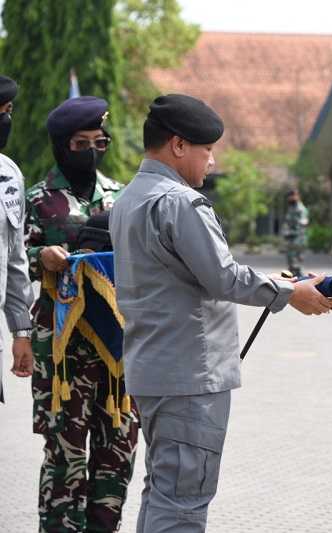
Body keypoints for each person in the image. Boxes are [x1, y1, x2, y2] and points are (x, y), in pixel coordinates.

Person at [110, 94, 331, 533]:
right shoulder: (178, 202)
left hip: (153, 369)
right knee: (184, 502)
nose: (211, 162)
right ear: (177, 145)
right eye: (206, 150)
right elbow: (223, 277)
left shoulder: (129, 198)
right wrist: (291, 294)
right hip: (190, 376)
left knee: (163, 492)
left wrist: (282, 284)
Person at [24, 96, 136, 532]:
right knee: (65, 458)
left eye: (99, 142)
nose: (91, 151)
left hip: (116, 351)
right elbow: (11, 257)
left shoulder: (122, 197)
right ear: (60, 146)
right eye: (80, 143)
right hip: (62, 350)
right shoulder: (37, 200)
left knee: (118, 453)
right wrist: (41, 256)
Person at [0, 74, 34, 403]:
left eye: (7, 111)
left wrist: (21, 329)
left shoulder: (8, 174)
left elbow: (14, 257)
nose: (6, 121)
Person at [282, 188, 308, 277]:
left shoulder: (300, 209)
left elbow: (302, 225)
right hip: (291, 240)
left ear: (296, 196)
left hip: (297, 240)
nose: (289, 199)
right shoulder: (291, 208)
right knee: (291, 265)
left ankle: (302, 284)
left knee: (296, 265)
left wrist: (290, 232)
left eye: (291, 196)